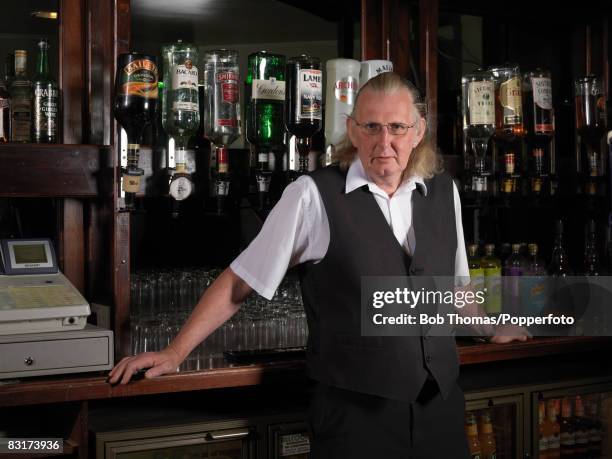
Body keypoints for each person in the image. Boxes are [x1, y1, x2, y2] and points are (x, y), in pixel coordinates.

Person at [109, 72, 529, 458]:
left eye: (398, 127)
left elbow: (455, 289)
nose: (385, 142)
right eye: (372, 127)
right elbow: (242, 279)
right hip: (355, 416)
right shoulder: (312, 195)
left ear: (418, 131)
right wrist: (175, 350)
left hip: (440, 408)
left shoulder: (443, 192)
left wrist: (489, 328)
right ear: (352, 129)